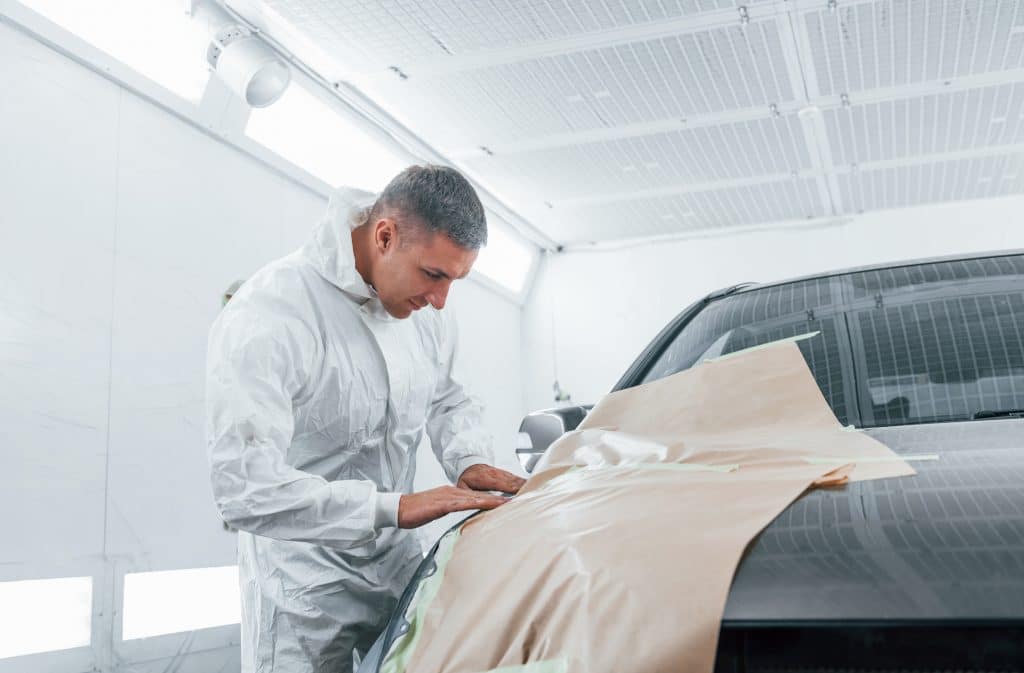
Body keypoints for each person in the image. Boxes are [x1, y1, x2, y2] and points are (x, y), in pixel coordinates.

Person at [205, 165, 526, 673]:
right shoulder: (272, 313)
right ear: (384, 236)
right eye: (434, 275)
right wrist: (392, 507)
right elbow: (244, 489)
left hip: (396, 565)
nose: (442, 300)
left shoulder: (426, 309)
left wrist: (469, 458)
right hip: (301, 588)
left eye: (456, 280)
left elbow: (449, 398)